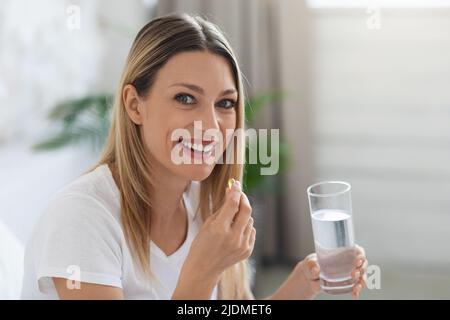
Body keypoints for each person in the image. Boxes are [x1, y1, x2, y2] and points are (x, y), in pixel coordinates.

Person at [21, 13, 367, 300]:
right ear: (134, 104)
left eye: (225, 103)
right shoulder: (83, 218)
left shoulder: (206, 203)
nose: (210, 125)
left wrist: (302, 284)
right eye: (186, 98)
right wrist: (201, 273)